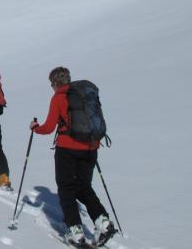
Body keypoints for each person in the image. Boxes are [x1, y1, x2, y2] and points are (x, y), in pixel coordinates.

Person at [30, 66, 117, 248]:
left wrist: (35, 127)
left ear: (55, 83)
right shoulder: (84, 94)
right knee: (84, 187)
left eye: (51, 84)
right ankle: (103, 223)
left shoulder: (59, 97)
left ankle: (75, 231)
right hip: (91, 147)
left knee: (66, 189)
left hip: (67, 149)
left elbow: (48, 127)